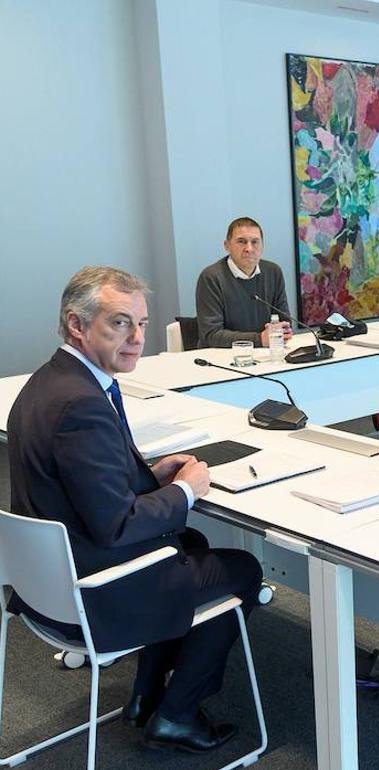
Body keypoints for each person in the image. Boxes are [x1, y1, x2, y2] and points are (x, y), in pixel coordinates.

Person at [7, 267, 263, 753]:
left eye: (141, 324)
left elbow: (81, 482)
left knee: (191, 542)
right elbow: (117, 525)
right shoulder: (81, 405)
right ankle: (177, 715)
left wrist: (150, 476)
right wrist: (185, 491)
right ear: (77, 324)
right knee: (244, 570)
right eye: (120, 323)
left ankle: (146, 696)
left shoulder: (51, 381)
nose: (137, 338)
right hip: (92, 592)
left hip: (46, 582)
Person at [195, 217, 293, 349]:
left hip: (266, 353)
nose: (249, 248)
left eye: (255, 242)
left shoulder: (273, 272)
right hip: (222, 355)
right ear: (227, 246)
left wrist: (283, 331)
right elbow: (211, 335)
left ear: (262, 245)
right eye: (241, 241)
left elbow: (285, 322)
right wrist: (259, 339)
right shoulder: (211, 277)